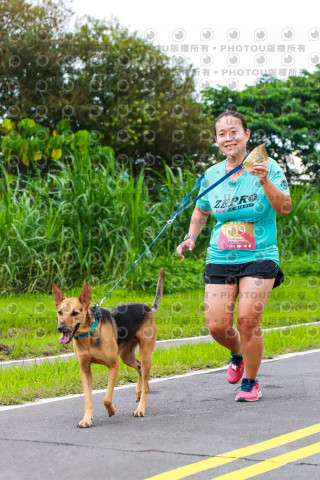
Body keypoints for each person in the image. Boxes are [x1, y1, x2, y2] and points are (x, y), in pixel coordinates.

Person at [176, 110, 292, 402]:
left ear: (246, 135)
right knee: (216, 325)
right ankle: (239, 354)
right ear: (216, 140)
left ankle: (250, 383)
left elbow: (285, 208)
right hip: (221, 254)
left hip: (260, 254)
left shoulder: (266, 165)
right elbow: (202, 209)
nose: (229, 138)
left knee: (247, 321)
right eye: (222, 134)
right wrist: (191, 237)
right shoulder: (212, 174)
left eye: (234, 132)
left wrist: (265, 181)